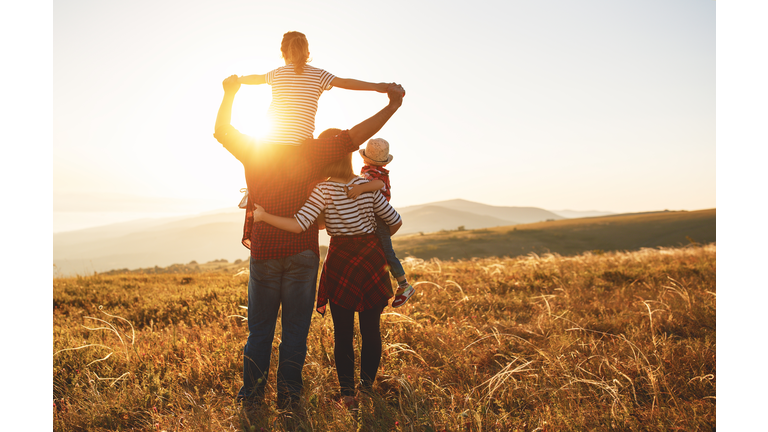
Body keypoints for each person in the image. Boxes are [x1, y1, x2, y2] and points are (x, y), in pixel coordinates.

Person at [213, 73, 405, 411]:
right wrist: (391, 104)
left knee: (259, 331)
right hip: (303, 253)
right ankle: (290, 397)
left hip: (265, 251)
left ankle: (252, 397)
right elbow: (357, 136)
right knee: (295, 332)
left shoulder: (254, 148)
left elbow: (222, 131)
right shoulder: (315, 150)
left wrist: (230, 93)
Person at [250, 149, 402, 409]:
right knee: (371, 330)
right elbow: (395, 221)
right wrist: (371, 235)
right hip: (371, 259)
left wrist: (263, 216)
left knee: (343, 333)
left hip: (341, 259)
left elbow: (300, 225)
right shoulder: (366, 185)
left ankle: (348, 395)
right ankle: (366, 389)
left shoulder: (323, 189)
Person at [238, 31, 392, 147]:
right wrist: (377, 87)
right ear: (308, 54)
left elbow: (255, 78)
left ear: (283, 54)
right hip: (300, 144)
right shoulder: (319, 74)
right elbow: (345, 82)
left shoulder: (277, 73)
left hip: (269, 142)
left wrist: (237, 80)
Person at [346, 137, 415, 307]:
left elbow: (377, 185)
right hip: (376, 216)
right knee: (380, 251)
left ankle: (404, 284)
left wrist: (361, 188)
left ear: (364, 157)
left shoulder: (373, 174)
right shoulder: (374, 171)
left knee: (386, 252)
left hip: (378, 216)